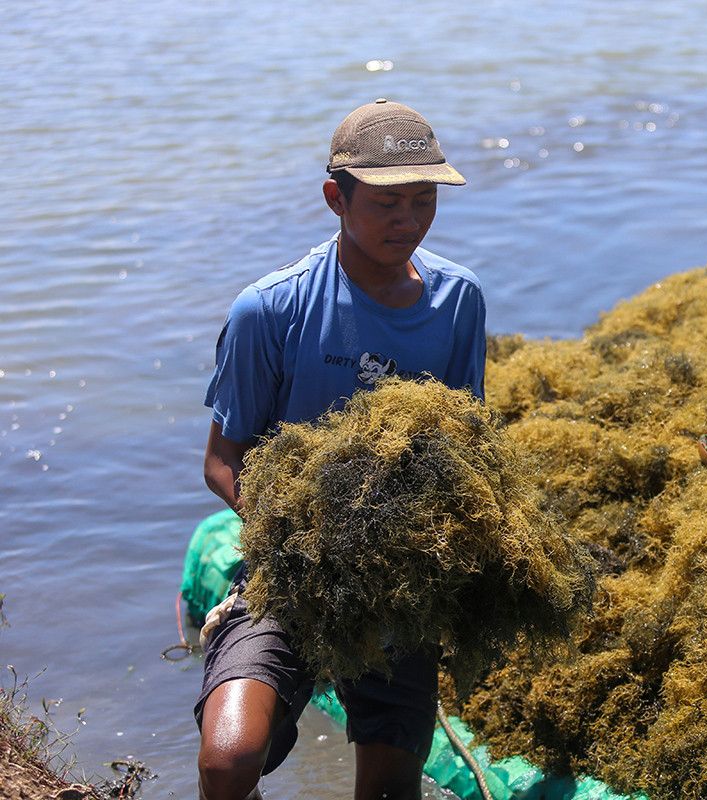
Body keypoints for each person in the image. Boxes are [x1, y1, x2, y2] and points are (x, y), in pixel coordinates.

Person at [196, 99, 485, 800]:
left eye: (424, 202)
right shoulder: (270, 309)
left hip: (398, 577)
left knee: (389, 790)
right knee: (229, 762)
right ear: (336, 198)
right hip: (287, 568)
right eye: (388, 203)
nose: (408, 222)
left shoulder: (457, 303)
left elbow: (464, 448)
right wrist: (291, 535)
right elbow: (222, 460)